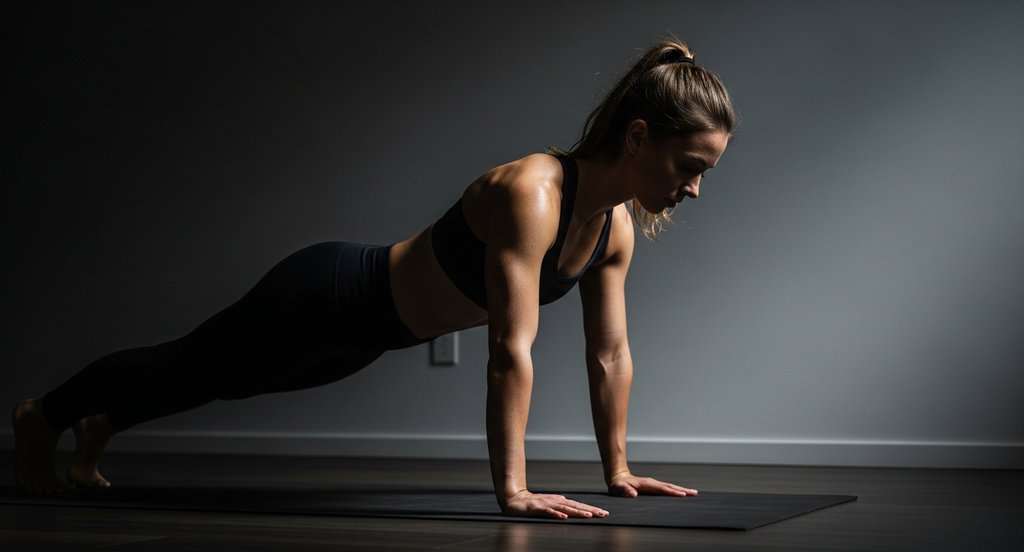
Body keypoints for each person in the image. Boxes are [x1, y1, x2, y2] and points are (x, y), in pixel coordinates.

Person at [13, 38, 735, 520]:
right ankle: (42, 417)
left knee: (223, 379)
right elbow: (510, 351)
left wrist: (618, 470)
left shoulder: (614, 231)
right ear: (640, 136)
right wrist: (512, 490)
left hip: (367, 337)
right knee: (189, 363)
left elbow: (609, 354)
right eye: (689, 168)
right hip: (325, 294)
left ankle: (101, 425)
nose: (695, 191)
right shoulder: (535, 194)